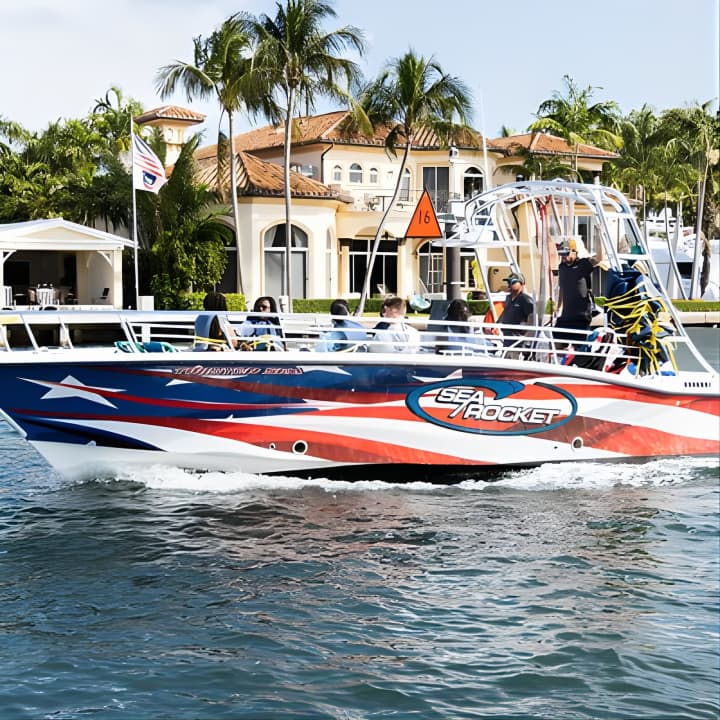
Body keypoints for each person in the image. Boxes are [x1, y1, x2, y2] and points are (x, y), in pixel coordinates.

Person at [555, 236, 605, 344]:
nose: (564, 257)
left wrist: (600, 236)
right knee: (556, 343)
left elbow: (599, 258)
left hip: (580, 317)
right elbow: (562, 288)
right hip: (566, 316)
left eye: (566, 254)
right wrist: (558, 308)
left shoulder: (582, 264)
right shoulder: (562, 267)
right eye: (561, 254)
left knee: (577, 346)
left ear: (574, 252)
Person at [497, 273, 535, 356]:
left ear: (522, 284)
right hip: (507, 337)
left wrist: (526, 340)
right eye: (508, 282)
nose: (510, 284)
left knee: (512, 359)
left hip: (517, 340)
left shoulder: (525, 300)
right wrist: (496, 324)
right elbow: (506, 311)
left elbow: (532, 320)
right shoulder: (508, 298)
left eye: (513, 282)